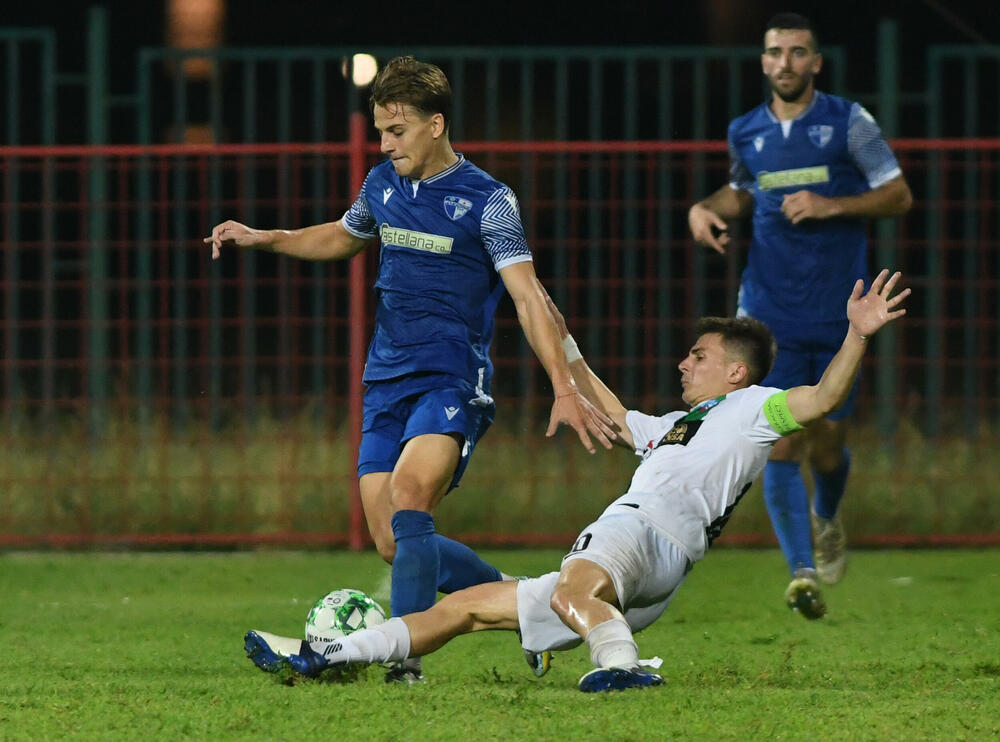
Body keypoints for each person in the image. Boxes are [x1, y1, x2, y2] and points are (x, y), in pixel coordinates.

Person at [243, 270, 910, 692]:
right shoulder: (680, 425)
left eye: (699, 356)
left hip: (639, 530)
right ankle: (326, 656)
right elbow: (618, 416)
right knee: (466, 609)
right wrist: (560, 343)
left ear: (736, 371)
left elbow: (821, 399)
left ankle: (619, 662)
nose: (685, 362)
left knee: (573, 584)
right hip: (656, 572)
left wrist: (858, 336)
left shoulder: (755, 405)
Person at [206, 56, 615, 682]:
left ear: (436, 124)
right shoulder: (382, 185)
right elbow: (342, 237)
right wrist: (264, 236)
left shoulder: (488, 201)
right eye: (380, 131)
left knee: (409, 496)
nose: (386, 143)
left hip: (452, 379)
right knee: (394, 541)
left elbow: (529, 297)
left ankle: (406, 664)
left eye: (397, 130)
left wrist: (562, 385)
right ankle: (518, 592)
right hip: (386, 379)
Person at [687, 12, 913, 618]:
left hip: (840, 313)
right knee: (780, 441)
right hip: (769, 313)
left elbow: (898, 194)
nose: (784, 62)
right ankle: (801, 572)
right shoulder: (746, 130)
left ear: (816, 62)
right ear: (763, 62)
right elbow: (740, 190)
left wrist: (830, 204)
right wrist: (706, 209)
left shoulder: (849, 123)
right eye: (774, 52)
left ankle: (828, 514)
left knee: (829, 444)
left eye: (797, 52)